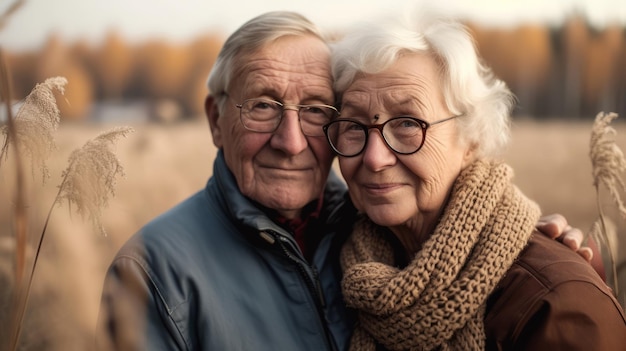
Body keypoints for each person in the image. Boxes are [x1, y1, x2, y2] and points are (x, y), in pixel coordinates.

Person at [96, 11, 596, 351]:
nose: (291, 141)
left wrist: (541, 258)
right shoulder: (153, 273)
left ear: (470, 136)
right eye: (265, 105)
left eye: (315, 110)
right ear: (215, 119)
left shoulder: (381, 235)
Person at [322, 10, 626, 351]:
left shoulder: (556, 302)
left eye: (408, 123)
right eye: (353, 126)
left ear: (471, 138)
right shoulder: (336, 262)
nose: (375, 158)